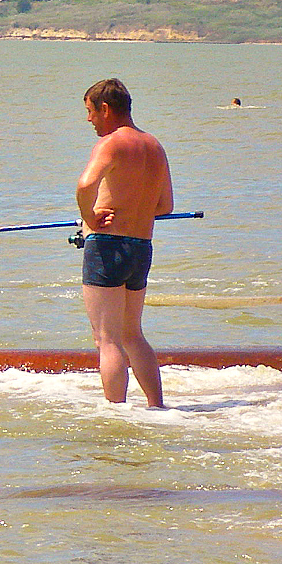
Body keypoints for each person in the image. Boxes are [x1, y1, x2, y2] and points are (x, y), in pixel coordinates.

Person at [75, 77, 174, 409]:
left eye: (90, 112)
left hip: (106, 245)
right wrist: (133, 209)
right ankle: (156, 407)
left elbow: (85, 183)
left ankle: (116, 412)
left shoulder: (111, 143)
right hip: (141, 248)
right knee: (133, 334)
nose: (89, 120)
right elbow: (165, 206)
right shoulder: (155, 146)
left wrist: (89, 218)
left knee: (107, 340)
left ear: (105, 109)